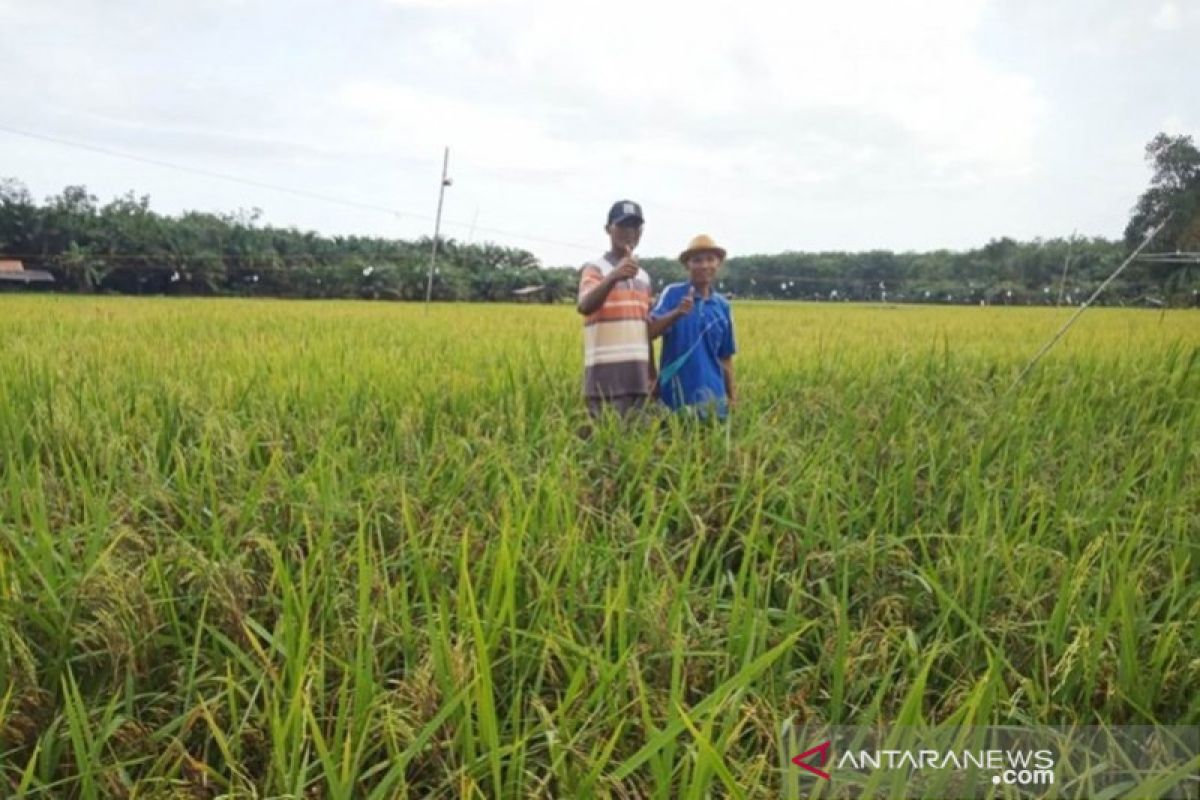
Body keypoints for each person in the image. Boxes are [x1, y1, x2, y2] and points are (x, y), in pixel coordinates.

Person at [576, 200, 656, 418]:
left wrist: (652, 375)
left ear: (640, 232)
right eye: (622, 226)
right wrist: (614, 276)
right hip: (604, 381)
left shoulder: (644, 277)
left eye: (634, 227)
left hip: (637, 380)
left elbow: (645, 329)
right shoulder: (595, 269)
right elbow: (584, 306)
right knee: (605, 446)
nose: (629, 233)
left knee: (636, 447)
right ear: (608, 229)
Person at [648, 234, 737, 419]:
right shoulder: (673, 294)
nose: (704, 265)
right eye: (697, 260)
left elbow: (725, 357)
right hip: (675, 398)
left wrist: (732, 397)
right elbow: (649, 332)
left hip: (714, 401)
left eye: (710, 259)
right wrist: (677, 313)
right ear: (688, 264)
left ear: (718, 263)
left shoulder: (722, 306)